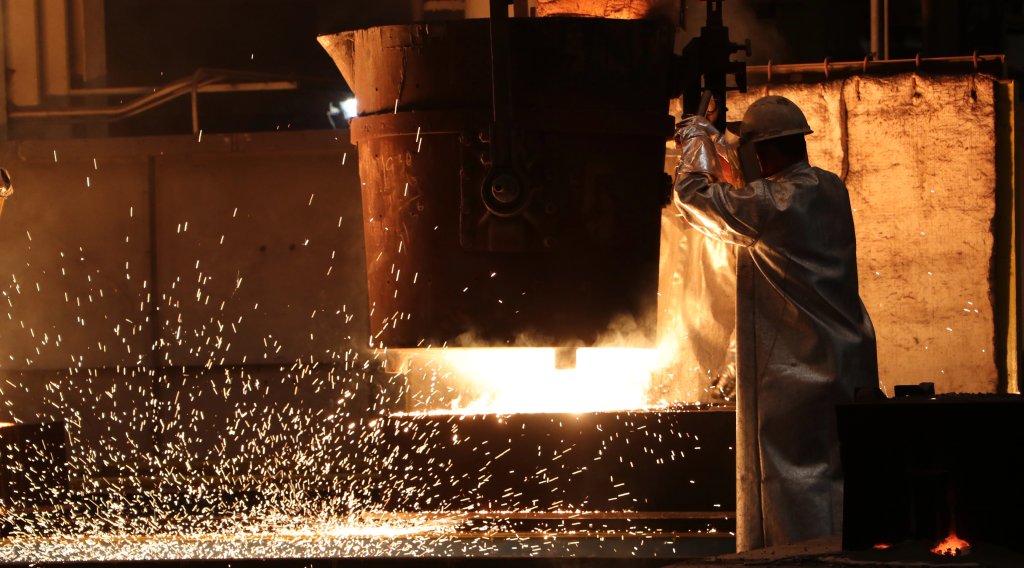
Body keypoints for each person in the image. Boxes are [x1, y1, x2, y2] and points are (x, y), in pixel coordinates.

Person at [673, 95, 879, 551]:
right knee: (841, 475)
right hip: (848, 360)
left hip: (797, 376)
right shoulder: (829, 188)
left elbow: (693, 197)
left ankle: (796, 561)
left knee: (797, 481)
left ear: (759, 152)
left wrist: (695, 136)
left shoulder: (773, 201)